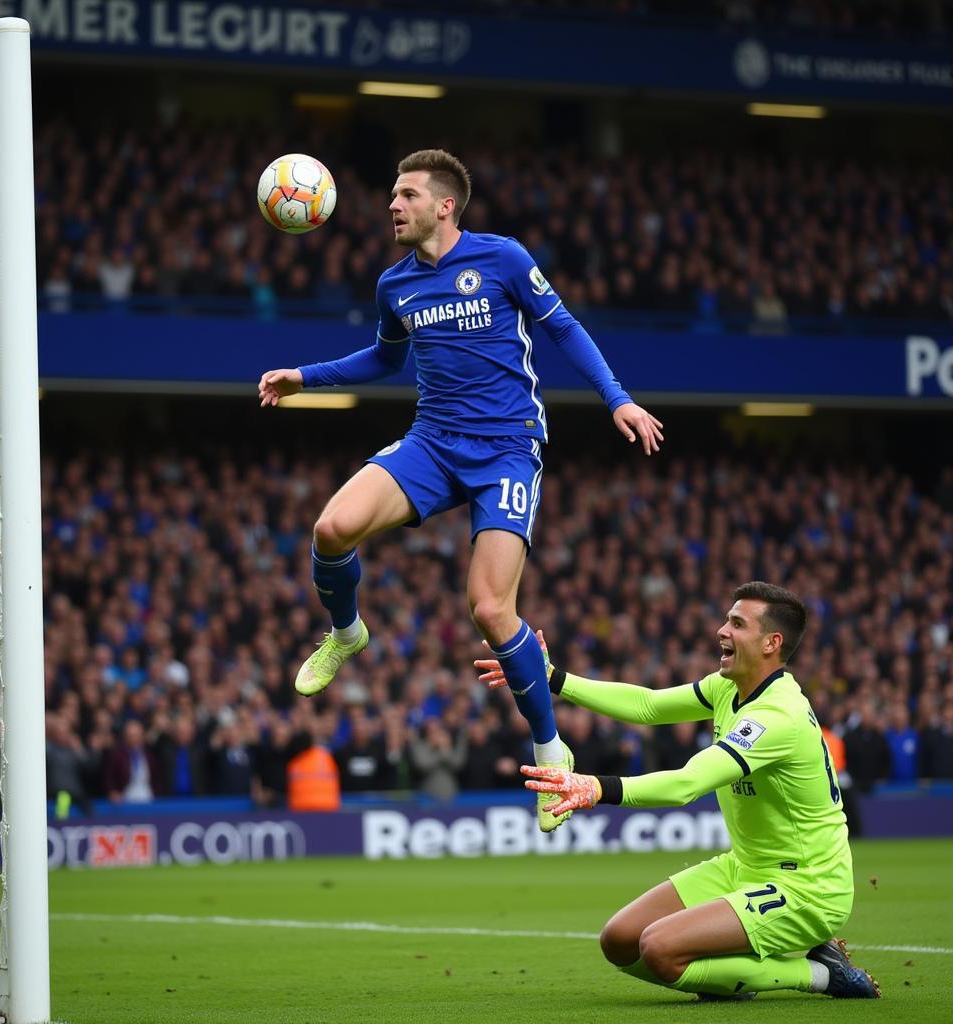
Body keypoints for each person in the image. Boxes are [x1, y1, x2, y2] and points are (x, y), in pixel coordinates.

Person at [259, 149, 662, 832]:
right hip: (433, 443)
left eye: (406, 194)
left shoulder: (502, 259)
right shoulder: (395, 284)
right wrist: (306, 375)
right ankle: (346, 632)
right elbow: (386, 359)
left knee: (490, 610)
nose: (393, 205)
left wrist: (616, 399)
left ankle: (548, 750)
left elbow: (563, 327)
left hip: (507, 450)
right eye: (392, 193)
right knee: (330, 529)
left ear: (444, 206)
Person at [475, 582, 880, 1000]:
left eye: (737, 624)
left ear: (771, 643)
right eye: (727, 619)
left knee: (659, 949)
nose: (722, 631)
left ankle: (817, 973)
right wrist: (553, 678)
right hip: (745, 868)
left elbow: (689, 783)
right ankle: (733, 978)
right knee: (619, 940)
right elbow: (648, 707)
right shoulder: (730, 686)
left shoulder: (778, 716)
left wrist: (597, 787)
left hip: (808, 887)